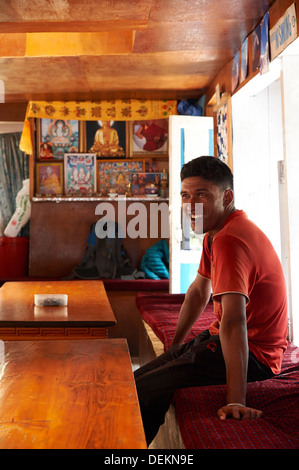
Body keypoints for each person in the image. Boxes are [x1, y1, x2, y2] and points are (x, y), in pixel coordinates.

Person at [134, 156, 288, 446]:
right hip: (223, 338)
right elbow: (197, 292)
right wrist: (176, 346)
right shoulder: (215, 234)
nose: (190, 205)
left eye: (202, 195)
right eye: (185, 195)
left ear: (227, 196)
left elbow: (233, 321)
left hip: (257, 356)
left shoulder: (231, 239)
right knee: (144, 377)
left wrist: (236, 401)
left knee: (140, 389)